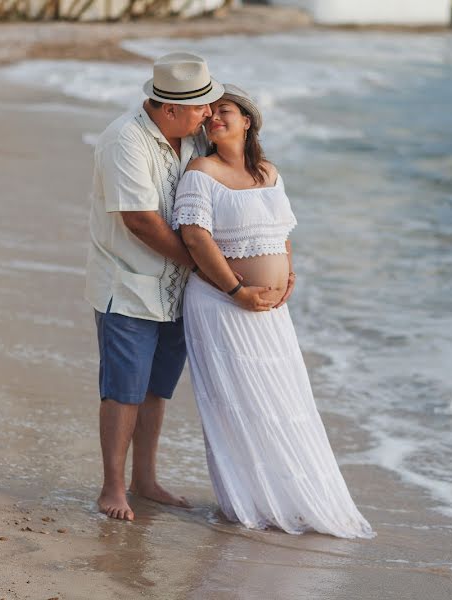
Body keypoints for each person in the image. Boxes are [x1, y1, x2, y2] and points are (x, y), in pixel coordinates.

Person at [172, 84, 375, 537]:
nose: (214, 119)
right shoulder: (199, 172)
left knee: (283, 396)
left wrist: (291, 272)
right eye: (209, 115)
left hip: (270, 309)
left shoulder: (268, 171)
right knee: (241, 400)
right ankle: (250, 499)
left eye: (224, 111)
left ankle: (290, 493)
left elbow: (281, 229)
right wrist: (236, 290)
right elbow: (196, 238)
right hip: (222, 305)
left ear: (247, 120)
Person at [84, 53, 225, 521]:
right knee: (123, 389)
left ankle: (145, 479)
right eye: (201, 106)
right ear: (168, 110)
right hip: (128, 285)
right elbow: (140, 221)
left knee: (154, 389)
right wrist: (206, 266)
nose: (209, 112)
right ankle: (113, 487)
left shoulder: (192, 137)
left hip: (179, 290)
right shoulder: (125, 139)